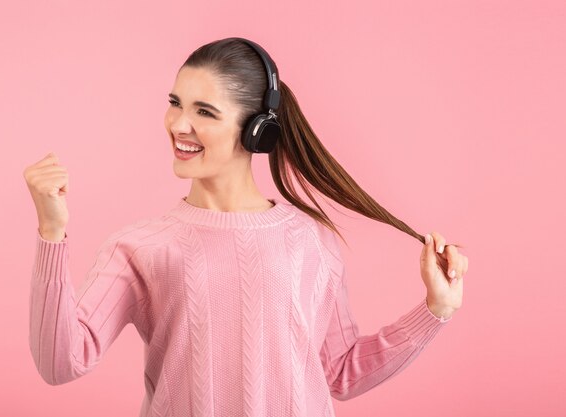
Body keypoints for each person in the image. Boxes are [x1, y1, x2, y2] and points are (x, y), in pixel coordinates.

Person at [23, 37, 467, 417]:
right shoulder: (139, 247)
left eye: (205, 112)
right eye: (175, 103)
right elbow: (61, 363)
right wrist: (50, 232)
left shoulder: (311, 240)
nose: (179, 125)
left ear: (257, 131)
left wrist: (435, 310)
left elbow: (340, 372)